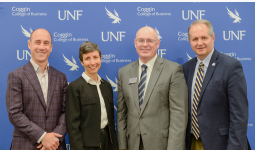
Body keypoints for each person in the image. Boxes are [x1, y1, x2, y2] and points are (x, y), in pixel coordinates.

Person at [182, 19, 250, 150]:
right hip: (192, 143)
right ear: (189, 41)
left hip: (222, 145)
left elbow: (239, 115)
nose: (199, 43)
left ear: (213, 38)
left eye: (204, 38)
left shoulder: (231, 66)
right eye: (195, 39)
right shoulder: (185, 69)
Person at [117, 26, 188, 150]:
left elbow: (179, 114)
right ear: (135, 43)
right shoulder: (124, 72)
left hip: (162, 145)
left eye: (150, 40)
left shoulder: (173, 70)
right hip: (132, 144)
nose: (145, 44)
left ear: (158, 43)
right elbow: (121, 113)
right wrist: (123, 145)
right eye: (141, 40)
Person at [6, 28, 68, 150]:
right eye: (37, 42)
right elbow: (15, 113)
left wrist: (54, 139)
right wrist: (42, 136)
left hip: (55, 146)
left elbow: (66, 112)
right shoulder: (16, 75)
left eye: (46, 43)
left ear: (51, 47)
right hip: (25, 145)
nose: (42, 47)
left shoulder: (61, 77)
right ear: (29, 44)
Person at [66, 41, 118, 150]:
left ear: (101, 58)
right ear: (81, 62)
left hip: (108, 143)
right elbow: (73, 125)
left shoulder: (107, 86)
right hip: (87, 145)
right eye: (87, 58)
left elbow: (111, 120)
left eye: (95, 57)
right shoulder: (75, 87)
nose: (92, 62)